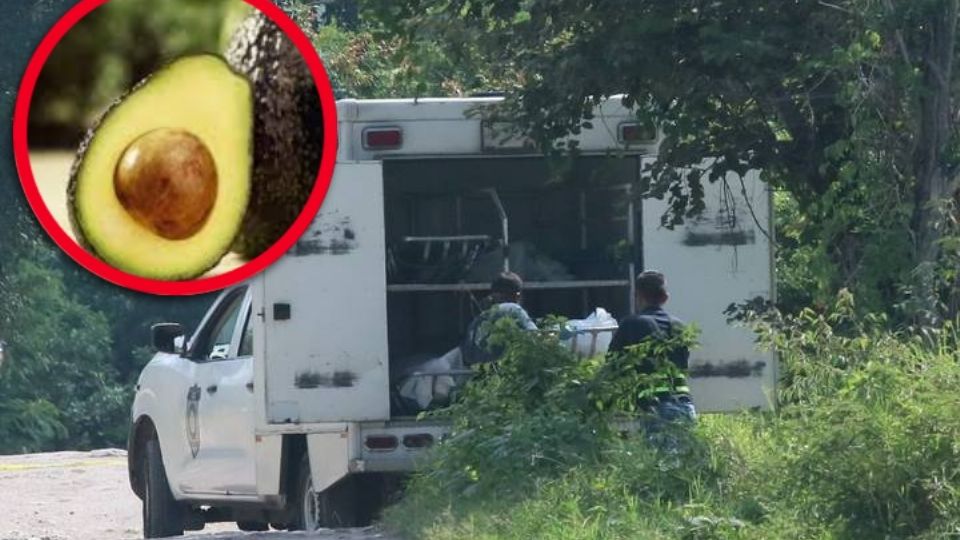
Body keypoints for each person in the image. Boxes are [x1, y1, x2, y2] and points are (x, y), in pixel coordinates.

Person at [608, 270, 696, 422]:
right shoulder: (679, 326)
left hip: (654, 407)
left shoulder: (631, 324)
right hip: (685, 404)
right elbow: (683, 365)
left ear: (637, 296)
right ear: (665, 298)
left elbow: (613, 364)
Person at [462, 271, 538, 366]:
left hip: (480, 374)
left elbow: (467, 356)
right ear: (517, 296)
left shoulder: (477, 320)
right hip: (508, 372)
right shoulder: (514, 310)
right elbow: (536, 339)